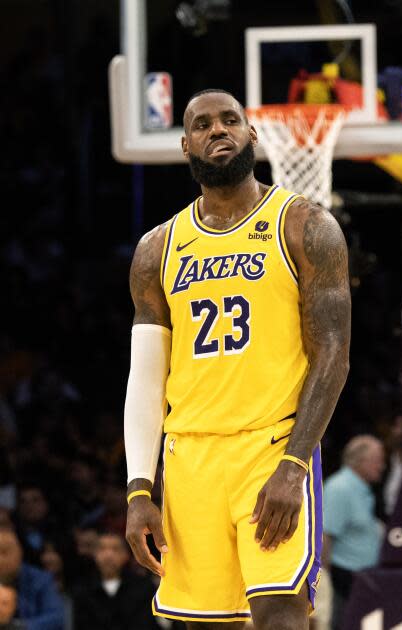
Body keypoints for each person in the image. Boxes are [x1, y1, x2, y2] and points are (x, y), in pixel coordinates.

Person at [122, 88, 351, 629]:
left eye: (230, 120)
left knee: (279, 612)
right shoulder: (157, 249)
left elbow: (333, 355)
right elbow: (146, 378)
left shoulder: (305, 226)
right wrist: (138, 488)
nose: (217, 130)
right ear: (185, 145)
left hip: (271, 447)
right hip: (189, 458)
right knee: (205, 625)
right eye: (202, 124)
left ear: (252, 134)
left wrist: (294, 466)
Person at [322, 436, 385, 630]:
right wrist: (327, 581)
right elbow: (324, 537)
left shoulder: (361, 488)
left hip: (361, 580)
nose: (382, 466)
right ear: (361, 461)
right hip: (343, 581)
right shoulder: (340, 488)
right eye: (378, 460)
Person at [72, 532, 159, 630]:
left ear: (126, 555)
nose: (108, 555)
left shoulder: (143, 587)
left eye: (115, 549)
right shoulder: (82, 589)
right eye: (102, 549)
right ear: (94, 554)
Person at [0, 527, 63, 630]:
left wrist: (21, 626)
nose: (1, 559)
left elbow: (56, 617)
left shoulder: (41, 580)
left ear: (20, 553)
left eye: (5, 552)